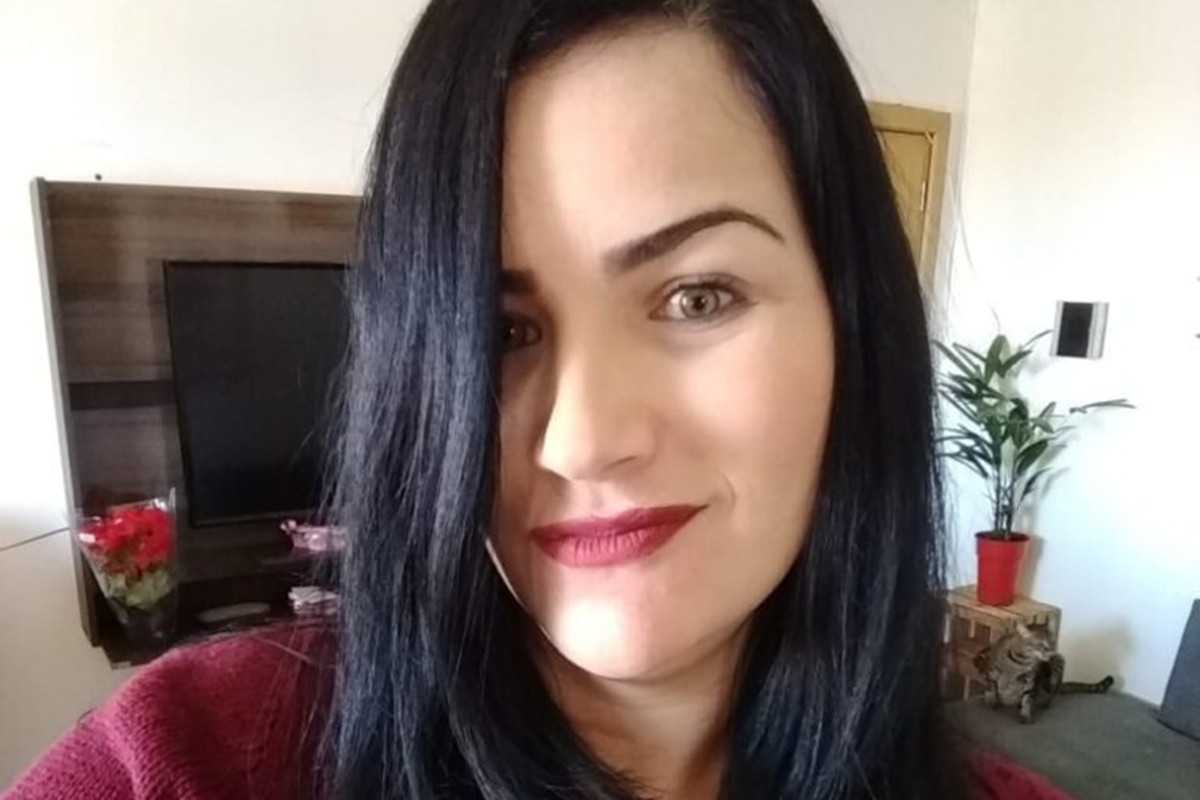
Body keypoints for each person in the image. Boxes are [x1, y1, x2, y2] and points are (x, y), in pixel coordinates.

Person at [5, 2, 1076, 798]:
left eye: (697, 296)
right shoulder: (191, 760)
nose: (585, 439)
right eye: (500, 331)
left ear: (853, 322)